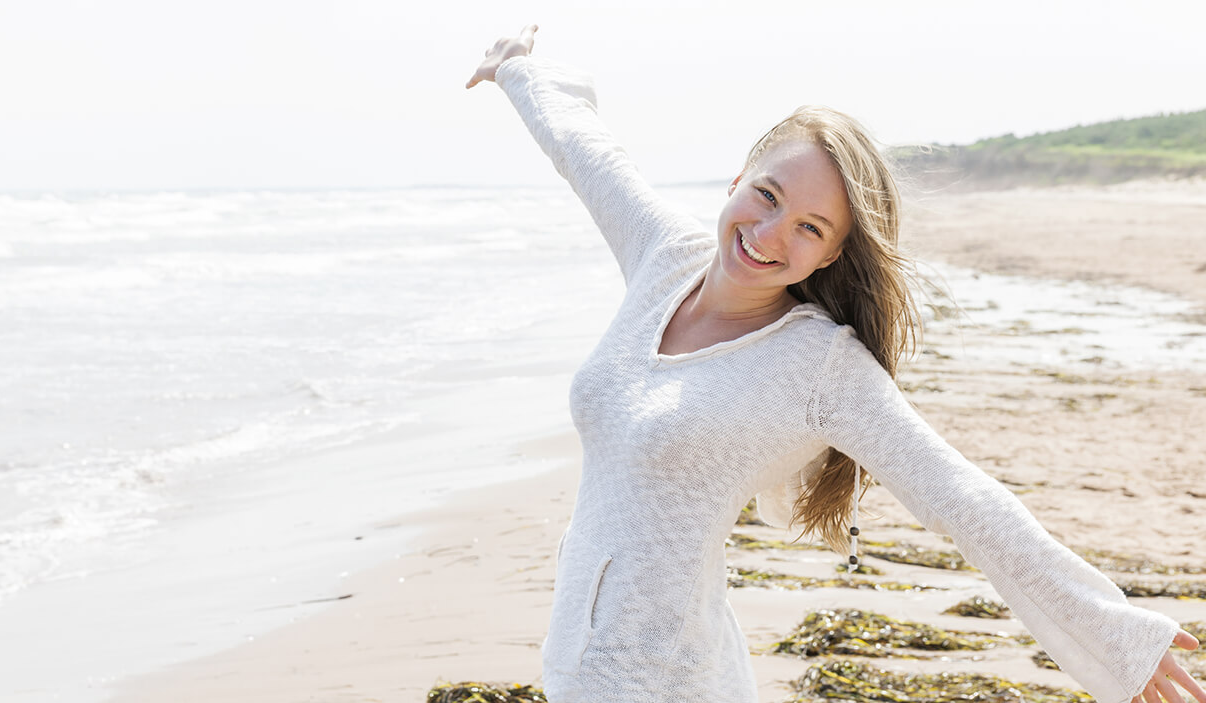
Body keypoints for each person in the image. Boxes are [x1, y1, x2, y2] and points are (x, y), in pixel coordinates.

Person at [466, 25, 1205, 703]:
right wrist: (521, 72)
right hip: (581, 657)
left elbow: (967, 501)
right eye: (766, 195)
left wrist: (1117, 637)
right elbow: (589, 154)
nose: (767, 233)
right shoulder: (666, 257)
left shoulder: (820, 366)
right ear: (737, 181)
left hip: (661, 682)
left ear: (829, 254)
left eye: (808, 227)